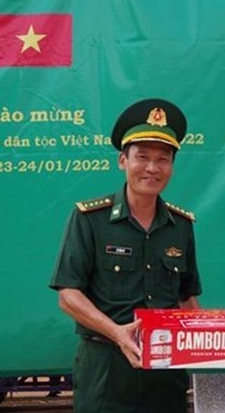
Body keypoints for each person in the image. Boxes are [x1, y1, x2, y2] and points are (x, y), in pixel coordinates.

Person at [50, 98, 202, 413]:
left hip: (165, 371)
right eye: (142, 157)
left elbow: (187, 298)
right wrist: (117, 333)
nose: (152, 168)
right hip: (106, 367)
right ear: (123, 160)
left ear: (172, 166)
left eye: (163, 159)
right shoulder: (90, 219)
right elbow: (68, 295)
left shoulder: (181, 226)